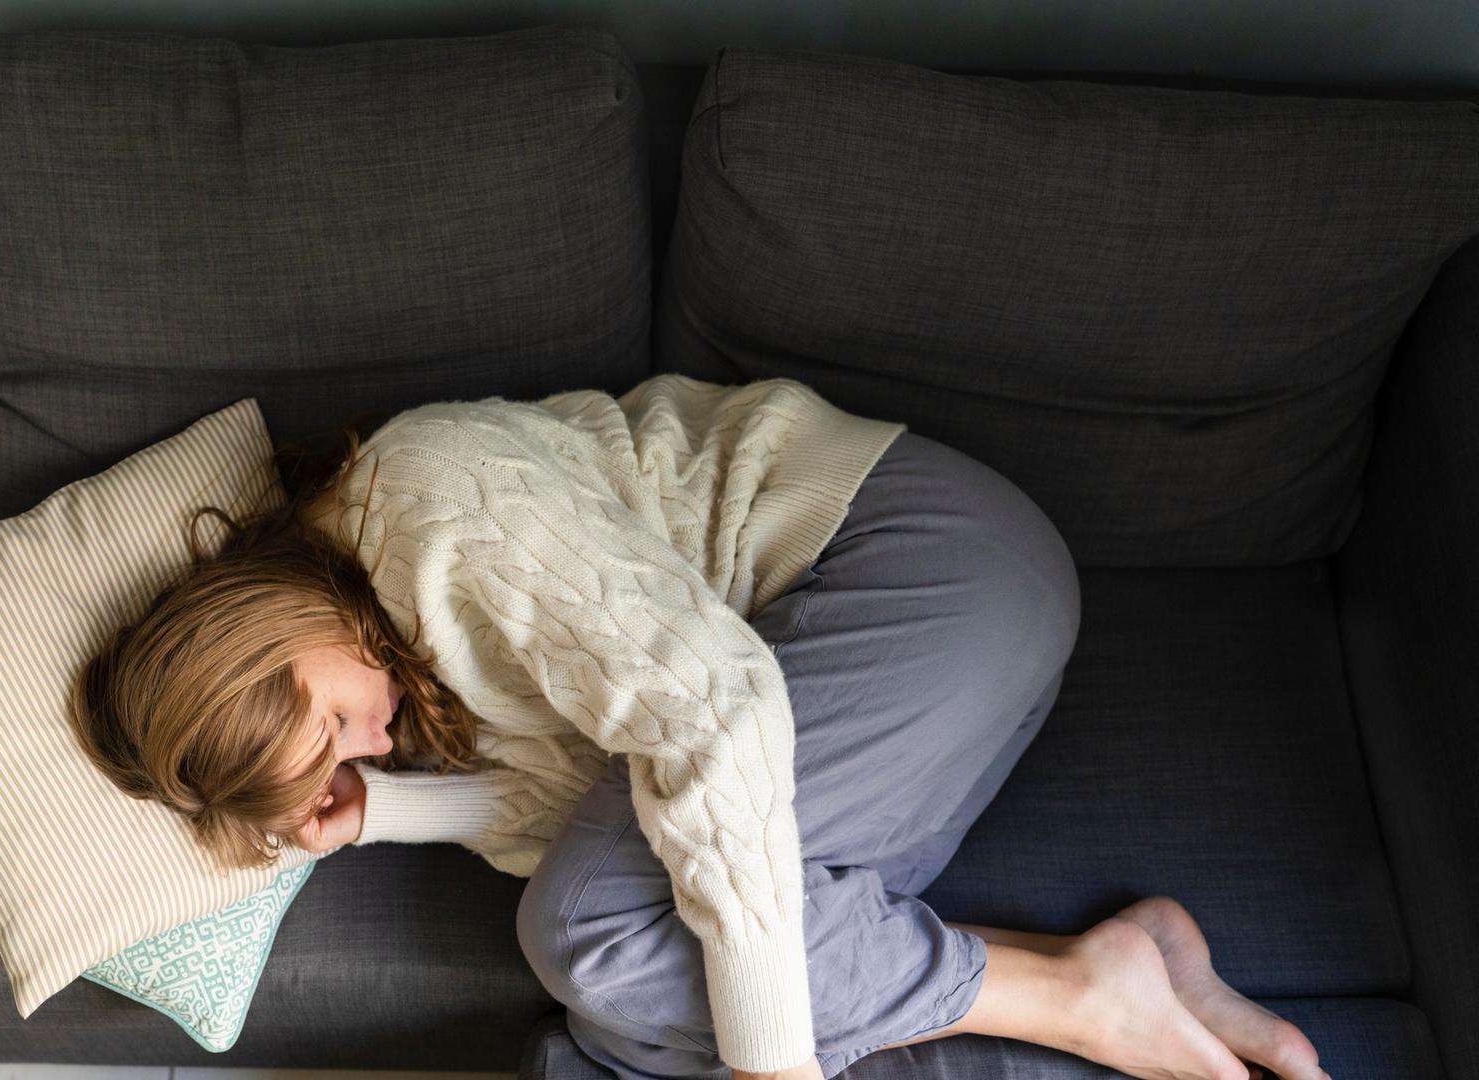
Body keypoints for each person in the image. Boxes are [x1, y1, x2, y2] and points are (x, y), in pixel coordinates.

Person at [66, 373, 1329, 1080]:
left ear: (279, 621)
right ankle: (1097, 972)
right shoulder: (393, 650)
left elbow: (715, 719)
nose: (374, 741)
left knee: (594, 942)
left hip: (925, 574)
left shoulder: (432, 506)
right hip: (905, 679)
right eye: (344, 758)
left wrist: (771, 1072)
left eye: (338, 722)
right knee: (631, 983)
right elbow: (615, 803)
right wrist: (390, 810)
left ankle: (1074, 994)